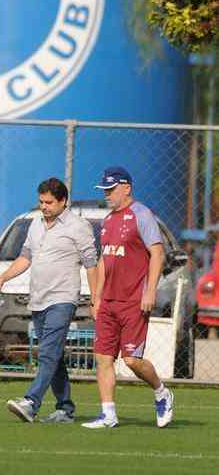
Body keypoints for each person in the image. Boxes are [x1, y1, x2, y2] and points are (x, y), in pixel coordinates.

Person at [0, 177, 97, 424]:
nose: (44, 207)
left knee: (48, 353)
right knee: (55, 356)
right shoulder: (36, 224)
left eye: (49, 202)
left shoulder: (78, 226)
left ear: (63, 201)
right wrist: (3, 277)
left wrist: (95, 299)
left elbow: (93, 265)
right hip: (38, 298)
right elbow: (25, 257)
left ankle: (31, 402)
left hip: (63, 298)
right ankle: (65, 409)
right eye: (41, 202)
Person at [82, 165, 174, 429]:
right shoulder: (108, 220)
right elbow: (103, 260)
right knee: (103, 357)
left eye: (111, 190)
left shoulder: (142, 215)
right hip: (108, 301)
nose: (107, 195)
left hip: (133, 300)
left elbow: (157, 253)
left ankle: (161, 392)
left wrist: (150, 290)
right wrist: (96, 298)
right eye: (105, 190)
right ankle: (108, 414)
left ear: (126, 188)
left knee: (132, 360)